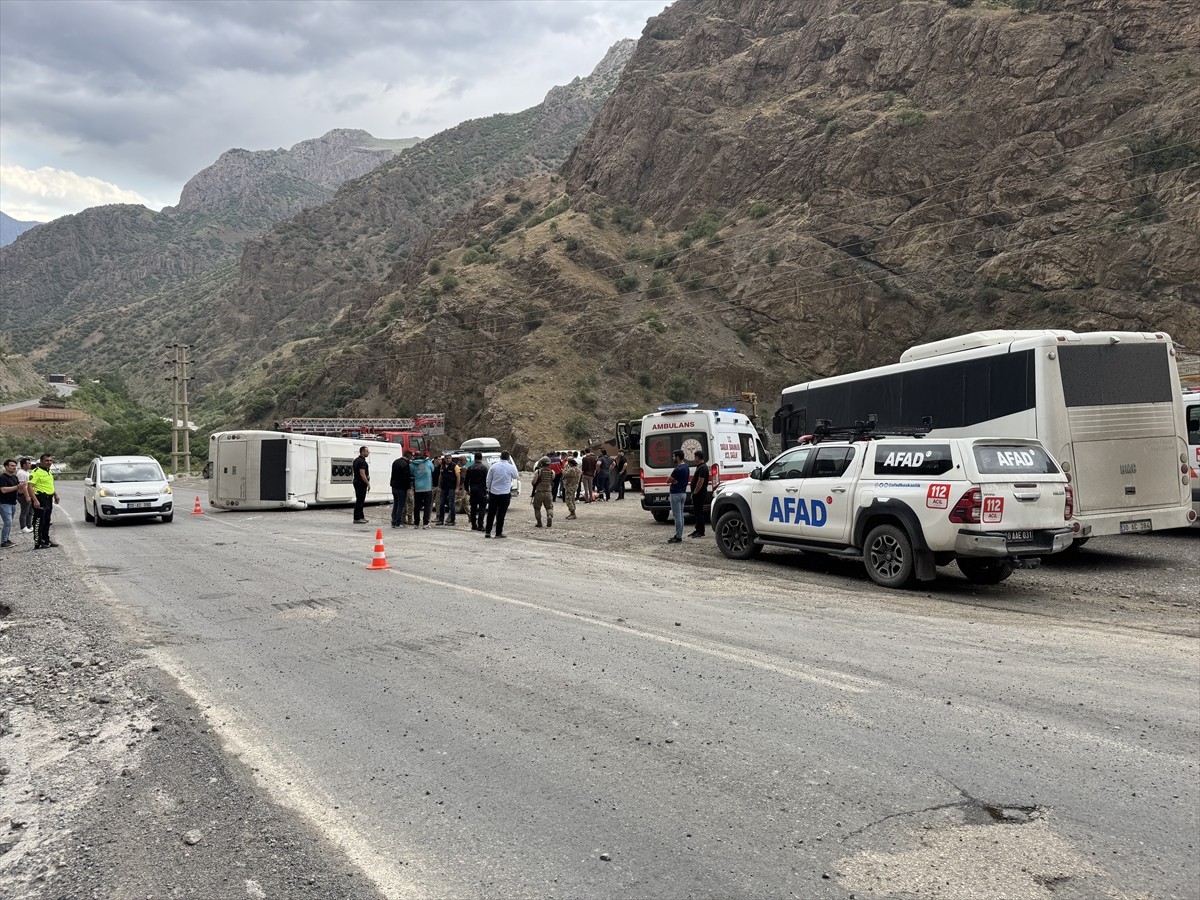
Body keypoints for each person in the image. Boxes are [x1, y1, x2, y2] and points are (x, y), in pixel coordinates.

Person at [483, 450, 519, 538]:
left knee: (491, 512)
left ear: (500, 457)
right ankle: (498, 532)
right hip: (505, 493)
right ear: (508, 457)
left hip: (494, 492)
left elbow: (488, 479)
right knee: (501, 513)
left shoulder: (493, 466)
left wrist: (489, 489)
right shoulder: (510, 467)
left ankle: (488, 531)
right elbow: (516, 476)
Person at [29, 453, 61, 549]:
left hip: (48, 498)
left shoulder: (49, 472)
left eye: (51, 460)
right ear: (41, 461)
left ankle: (46, 539)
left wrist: (55, 495)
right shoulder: (36, 472)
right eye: (47, 460)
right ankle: (38, 542)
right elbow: (29, 487)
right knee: (39, 521)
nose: (49, 462)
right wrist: (35, 500)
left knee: (47, 520)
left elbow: (49, 485)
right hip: (40, 498)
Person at [666, 449, 689, 544]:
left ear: (678, 457)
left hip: (675, 494)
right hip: (683, 493)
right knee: (681, 515)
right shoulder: (686, 467)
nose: (673, 458)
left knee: (677, 516)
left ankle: (678, 536)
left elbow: (668, 480)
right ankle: (679, 534)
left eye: (674, 456)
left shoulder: (677, 469)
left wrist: (672, 479)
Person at [688, 449, 711, 538]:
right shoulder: (700, 467)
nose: (694, 459)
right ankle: (697, 529)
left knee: (699, 512)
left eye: (695, 457)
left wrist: (695, 492)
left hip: (699, 493)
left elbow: (700, 481)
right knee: (697, 512)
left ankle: (701, 531)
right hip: (698, 493)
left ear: (698, 457)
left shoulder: (702, 467)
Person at [410, 451, 435, 529]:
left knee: (417, 506)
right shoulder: (428, 462)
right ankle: (425, 523)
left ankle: (416, 523)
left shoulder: (412, 465)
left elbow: (411, 473)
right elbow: (433, 470)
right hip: (427, 487)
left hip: (418, 488)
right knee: (427, 506)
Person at [465, 452, 489, 531]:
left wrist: (467, 489)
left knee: (473, 508)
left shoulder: (470, 468)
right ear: (481, 458)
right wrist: (487, 489)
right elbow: (487, 480)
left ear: (475, 458)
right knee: (482, 508)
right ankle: (480, 525)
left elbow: (466, 480)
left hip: (473, 490)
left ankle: (473, 525)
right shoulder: (484, 468)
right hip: (481, 490)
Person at [1, 459, 21, 548]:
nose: (14, 467)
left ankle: (7, 539)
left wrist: (21, 488)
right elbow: (3, 490)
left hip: (13, 503)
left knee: (10, 522)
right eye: (12, 466)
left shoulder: (15, 477)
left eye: (15, 466)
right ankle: (3, 541)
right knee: (7, 522)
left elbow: (18, 489)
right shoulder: (2, 477)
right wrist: (17, 486)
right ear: (6, 467)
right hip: (4, 503)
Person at [390, 451, 412, 528]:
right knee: (401, 505)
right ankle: (398, 522)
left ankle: (393, 521)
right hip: (402, 487)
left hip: (394, 486)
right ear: (409, 457)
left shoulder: (395, 462)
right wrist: (410, 480)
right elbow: (405, 478)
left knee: (395, 504)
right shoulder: (405, 464)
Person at [530, 456, 554, 528]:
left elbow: (533, 482)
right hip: (548, 492)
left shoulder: (538, 471)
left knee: (537, 508)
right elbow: (552, 480)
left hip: (539, 492)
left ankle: (539, 522)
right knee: (549, 507)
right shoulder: (552, 472)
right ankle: (549, 516)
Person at [435, 453, 459, 525]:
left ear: (451, 459)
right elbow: (440, 476)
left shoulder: (455, 466)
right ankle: (441, 520)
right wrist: (439, 486)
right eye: (447, 458)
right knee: (441, 503)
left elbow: (458, 477)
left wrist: (457, 488)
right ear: (444, 459)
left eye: (449, 458)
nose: (448, 459)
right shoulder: (442, 466)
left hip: (451, 487)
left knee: (451, 504)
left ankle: (452, 520)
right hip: (443, 487)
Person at [352, 446, 371, 524]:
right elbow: (362, 473)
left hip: (356, 481)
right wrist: (367, 483)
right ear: (362, 452)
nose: (368, 453)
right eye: (367, 451)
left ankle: (361, 516)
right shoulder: (362, 462)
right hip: (360, 482)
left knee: (360, 499)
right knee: (360, 500)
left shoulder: (356, 460)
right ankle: (357, 517)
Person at [16, 457, 34, 533]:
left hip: (29, 494)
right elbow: (23, 486)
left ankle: (29, 525)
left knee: (30, 511)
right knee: (24, 511)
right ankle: (23, 527)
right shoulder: (21, 473)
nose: (30, 464)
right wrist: (27, 496)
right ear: (24, 465)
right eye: (29, 463)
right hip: (23, 494)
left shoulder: (26, 472)